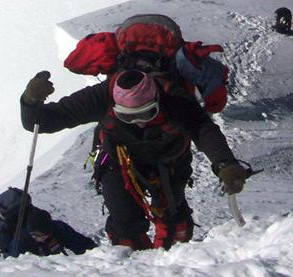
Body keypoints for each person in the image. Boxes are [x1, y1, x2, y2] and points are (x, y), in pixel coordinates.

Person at [20, 68, 247, 250]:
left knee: (171, 212)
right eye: (127, 116)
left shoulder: (175, 98)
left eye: (147, 113)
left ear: (157, 98)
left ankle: (174, 261)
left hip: (168, 159)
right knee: (124, 219)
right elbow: (42, 122)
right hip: (118, 159)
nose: (138, 122)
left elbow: (203, 130)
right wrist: (31, 102)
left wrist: (225, 163)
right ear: (115, 106)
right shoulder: (102, 96)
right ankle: (134, 264)